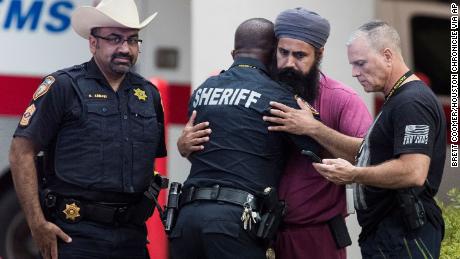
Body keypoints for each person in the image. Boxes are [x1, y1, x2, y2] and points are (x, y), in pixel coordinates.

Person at [8, 1, 165, 258]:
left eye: (133, 40)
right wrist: (36, 223)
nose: (125, 48)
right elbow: (20, 152)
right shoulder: (63, 86)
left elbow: (151, 165)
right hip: (75, 235)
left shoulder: (149, 95)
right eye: (114, 38)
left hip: (132, 237)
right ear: (93, 43)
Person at [169, 18, 320, 259]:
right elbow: (320, 152)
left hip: (186, 220)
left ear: (233, 53)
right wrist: (312, 123)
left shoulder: (203, 91)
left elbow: (208, 150)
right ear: (273, 55)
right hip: (235, 223)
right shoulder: (277, 96)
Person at [313, 21, 446, 259]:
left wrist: (354, 174)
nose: (354, 72)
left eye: (360, 63)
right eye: (352, 64)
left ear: (387, 55)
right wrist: (313, 129)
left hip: (404, 235)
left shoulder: (412, 102)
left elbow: (413, 171)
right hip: (389, 235)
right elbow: (370, 151)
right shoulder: (398, 99)